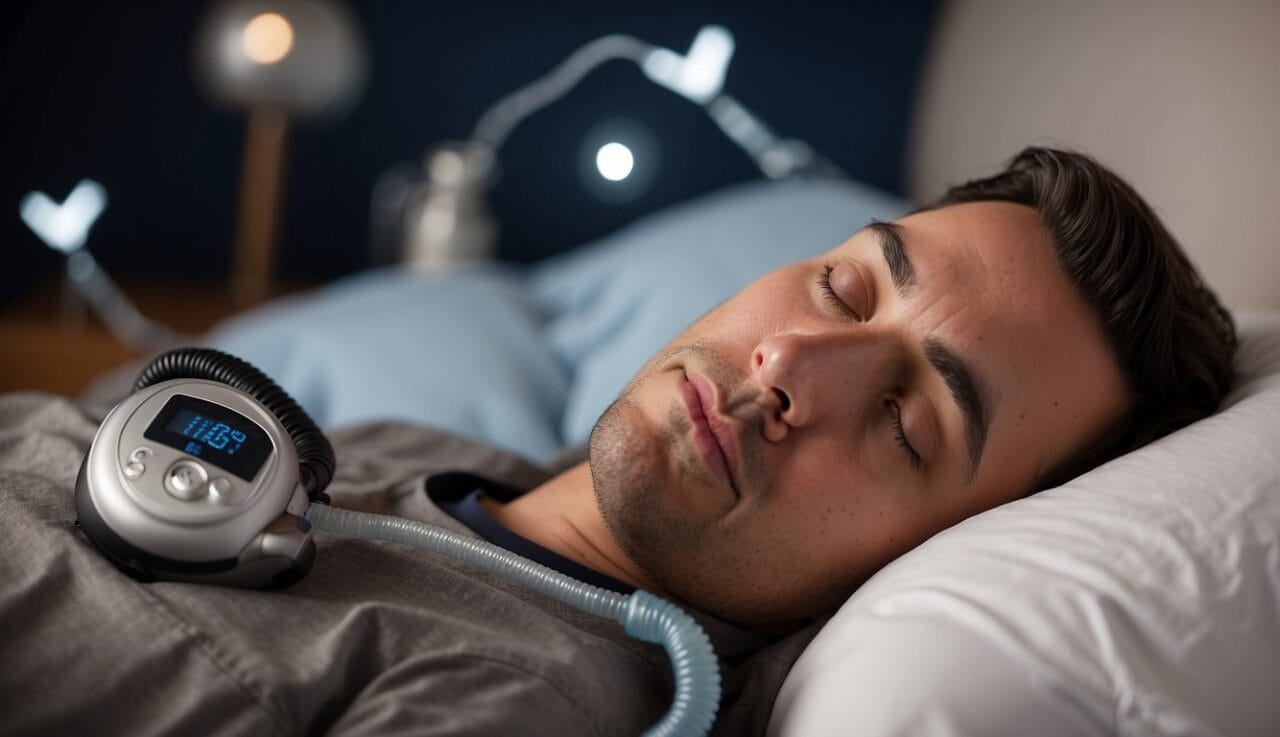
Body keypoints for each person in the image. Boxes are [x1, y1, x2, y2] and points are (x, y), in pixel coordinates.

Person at [0, 147, 1236, 736]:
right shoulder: (402, 449)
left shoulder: (519, 693)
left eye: (908, 422)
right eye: (846, 291)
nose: (788, 368)